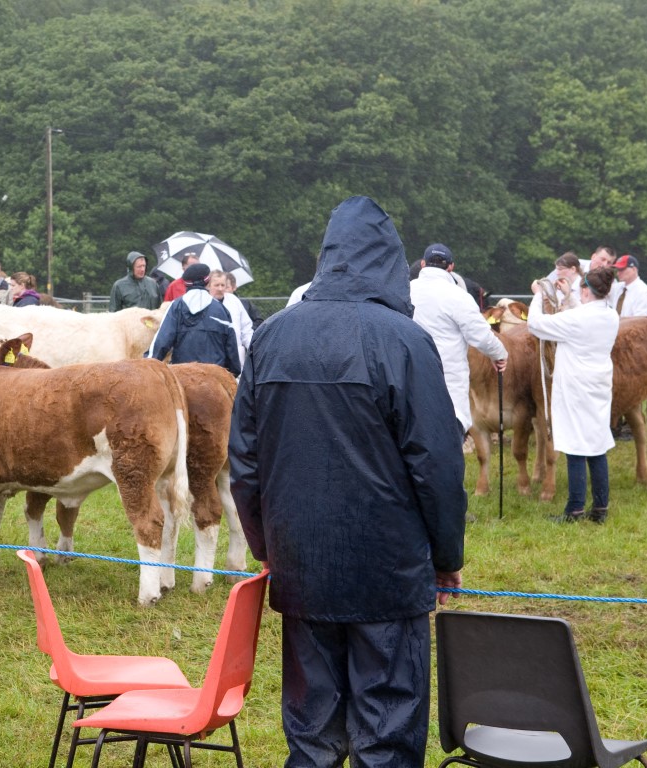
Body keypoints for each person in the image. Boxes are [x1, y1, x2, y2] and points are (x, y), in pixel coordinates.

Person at [228, 196, 467, 768]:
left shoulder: (274, 337)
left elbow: (245, 462)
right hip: (384, 569)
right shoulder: (404, 341)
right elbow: (437, 464)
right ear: (389, 262)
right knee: (384, 729)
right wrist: (446, 556)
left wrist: (268, 544)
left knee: (314, 731)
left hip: (305, 562)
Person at [527, 267, 620, 524]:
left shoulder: (577, 318)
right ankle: (600, 507)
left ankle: (575, 508)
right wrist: (570, 296)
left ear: (586, 290)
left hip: (575, 388)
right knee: (597, 444)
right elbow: (585, 314)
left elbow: (534, 324)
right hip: (599, 385)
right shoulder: (610, 315)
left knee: (574, 445)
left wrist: (538, 295)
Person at [409, 242, 507, 435]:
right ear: (451, 267)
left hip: (410, 377)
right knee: (447, 436)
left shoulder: (405, 291)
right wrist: (499, 354)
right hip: (448, 382)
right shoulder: (459, 296)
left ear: (423, 264)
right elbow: (481, 335)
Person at [146, 262, 241, 377]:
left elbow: (162, 341)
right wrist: (234, 372)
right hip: (215, 378)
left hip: (183, 377)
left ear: (186, 283)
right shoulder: (221, 310)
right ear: (207, 281)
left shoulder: (176, 307)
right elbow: (231, 348)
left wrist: (147, 367)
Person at [208, 269, 253, 368]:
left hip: (236, 354)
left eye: (223, 285)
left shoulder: (234, 301)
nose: (220, 288)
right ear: (208, 286)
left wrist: (252, 347)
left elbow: (246, 328)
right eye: (216, 285)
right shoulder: (205, 303)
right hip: (212, 355)